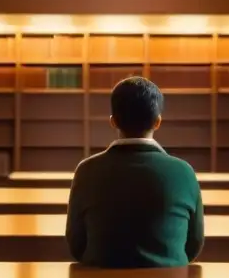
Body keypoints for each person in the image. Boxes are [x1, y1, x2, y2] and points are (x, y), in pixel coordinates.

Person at [65, 76, 205, 267]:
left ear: (113, 122)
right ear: (158, 122)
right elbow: (193, 244)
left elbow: (76, 244)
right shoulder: (184, 171)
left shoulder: (86, 170)